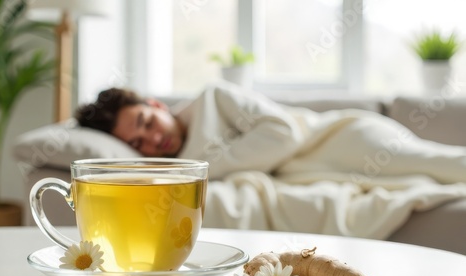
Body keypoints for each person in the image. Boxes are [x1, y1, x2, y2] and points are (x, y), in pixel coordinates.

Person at [76, 82, 466, 183]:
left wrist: (207, 166)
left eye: (146, 123)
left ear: (156, 104)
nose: (151, 140)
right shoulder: (174, 165)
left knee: (435, 162)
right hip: (324, 170)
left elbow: (282, 133)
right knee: (427, 177)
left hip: (345, 140)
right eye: (137, 143)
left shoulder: (215, 97)